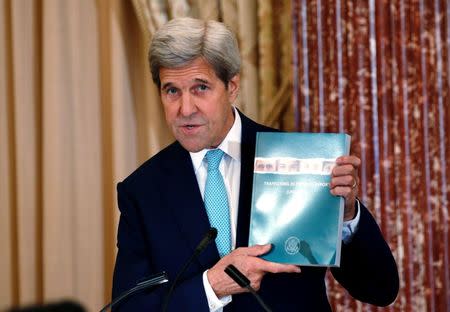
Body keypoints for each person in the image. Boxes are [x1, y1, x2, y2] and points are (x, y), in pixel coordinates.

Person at [112, 17, 399, 311]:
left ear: (232, 86)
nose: (185, 109)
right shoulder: (143, 190)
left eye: (200, 88)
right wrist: (211, 286)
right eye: (172, 90)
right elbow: (128, 308)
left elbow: (379, 288)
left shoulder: (299, 161)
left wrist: (347, 215)